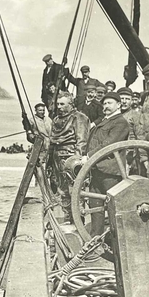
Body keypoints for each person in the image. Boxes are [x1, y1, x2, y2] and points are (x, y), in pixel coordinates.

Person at [79, 91, 130, 237]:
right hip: (96, 170)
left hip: (110, 172)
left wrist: (88, 156)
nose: (106, 106)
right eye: (104, 103)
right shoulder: (104, 121)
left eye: (109, 103)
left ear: (119, 105)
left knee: (114, 209)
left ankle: (118, 242)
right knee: (96, 208)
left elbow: (108, 145)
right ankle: (96, 241)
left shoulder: (120, 122)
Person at [49, 91, 89, 223]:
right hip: (57, 159)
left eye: (62, 104)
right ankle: (67, 218)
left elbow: (82, 140)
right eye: (57, 104)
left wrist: (77, 162)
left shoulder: (79, 118)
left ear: (71, 104)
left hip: (71, 159)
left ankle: (78, 220)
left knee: (76, 191)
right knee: (62, 190)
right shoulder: (55, 120)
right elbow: (51, 141)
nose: (59, 107)